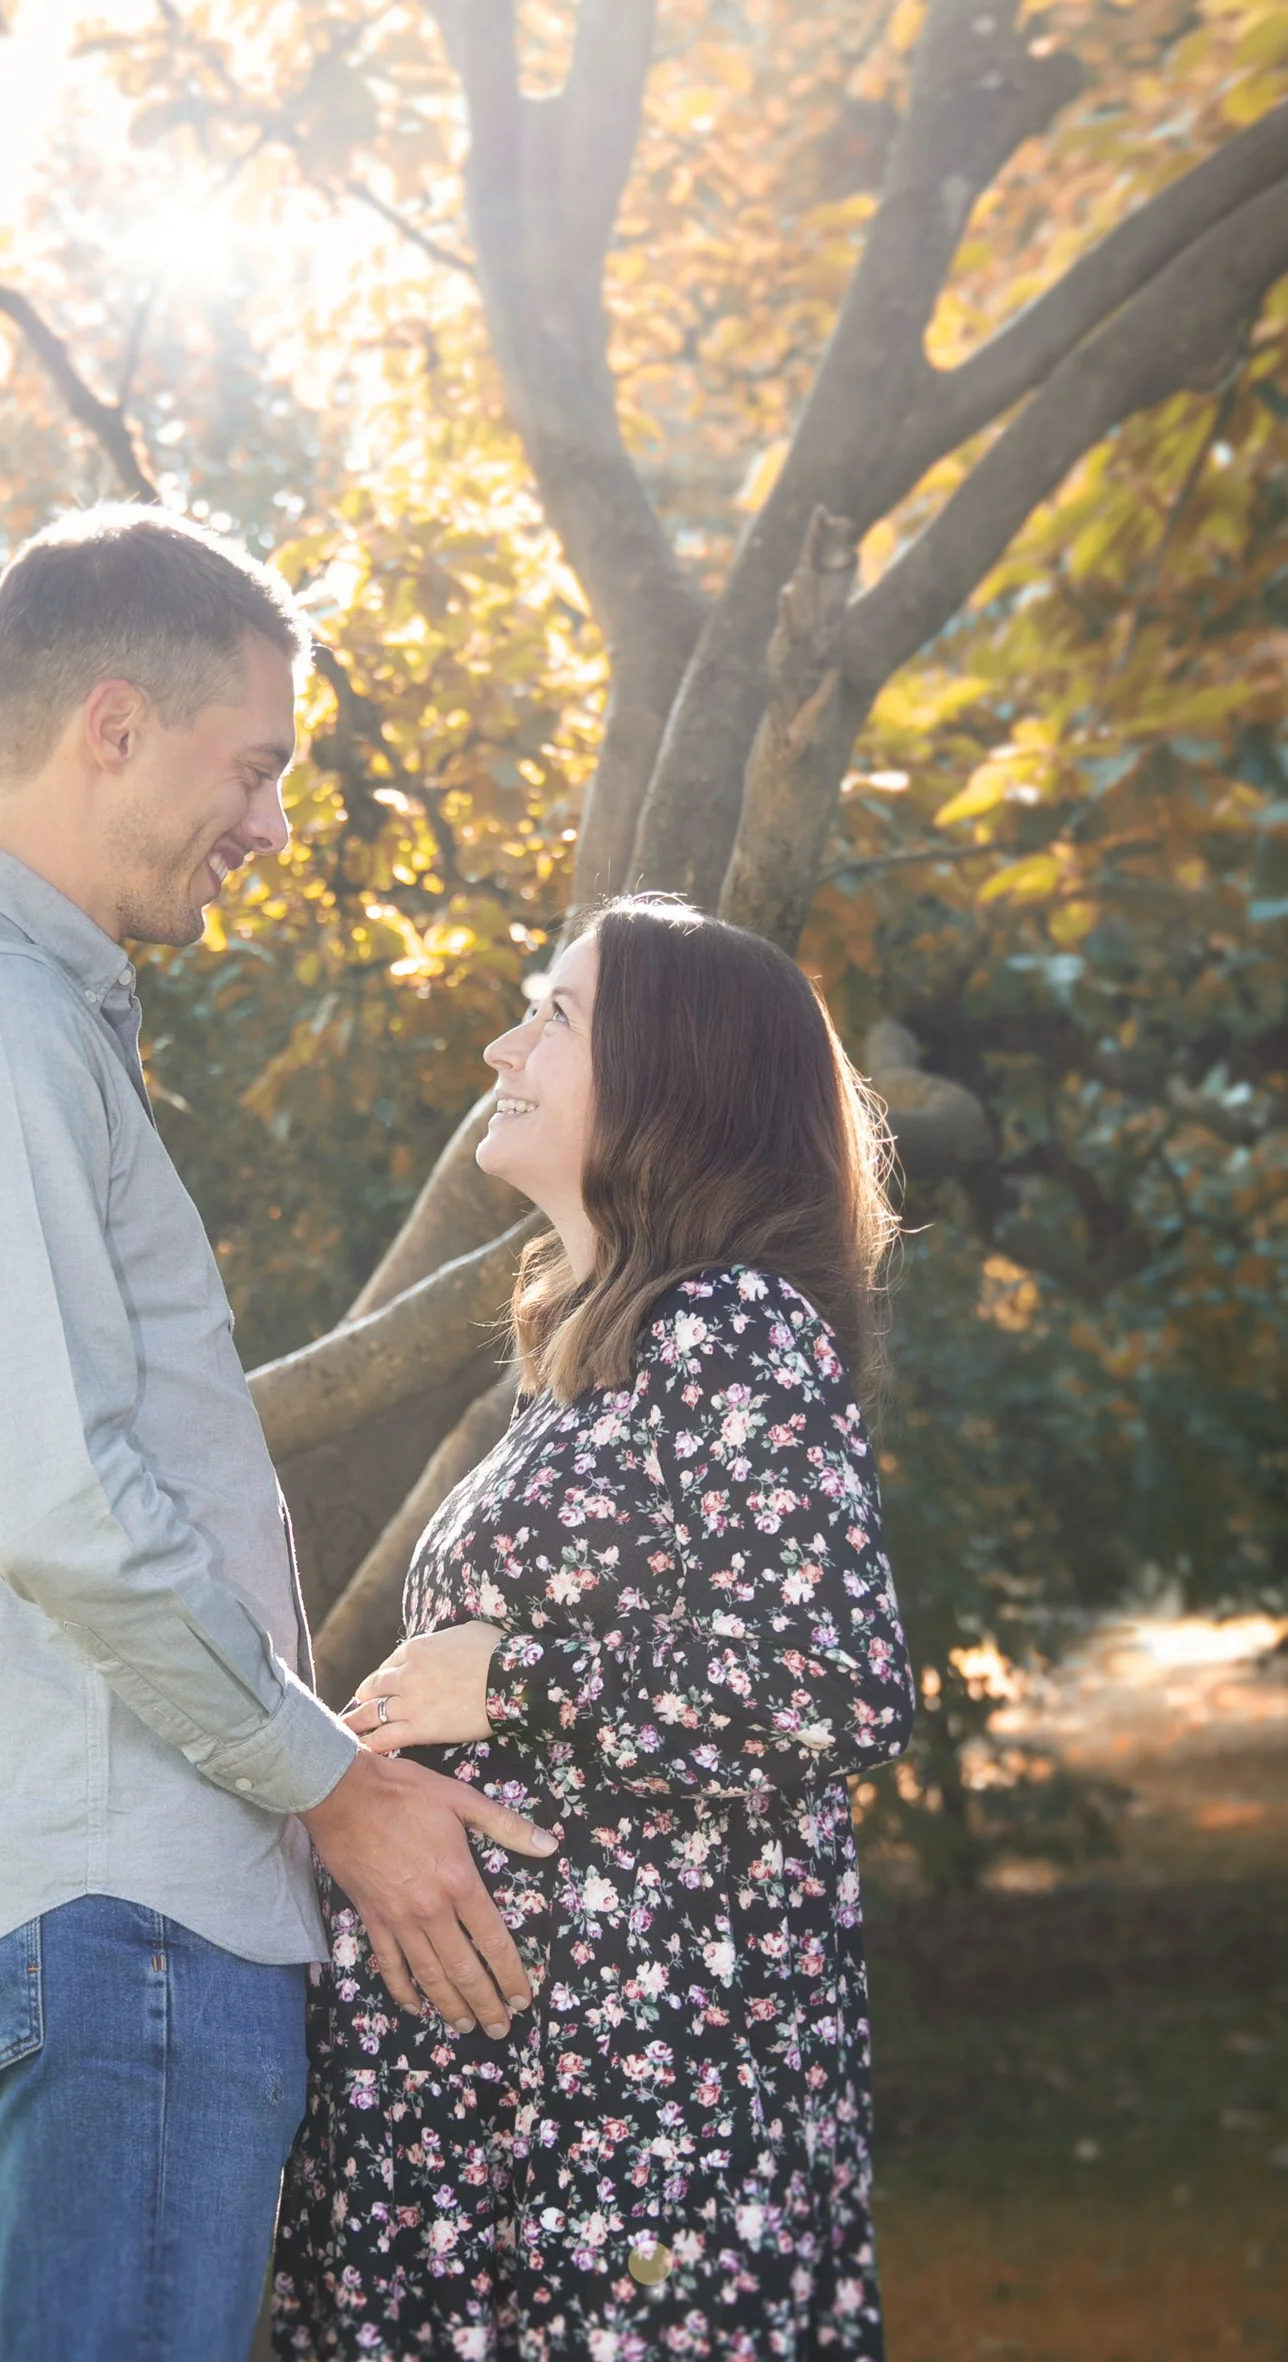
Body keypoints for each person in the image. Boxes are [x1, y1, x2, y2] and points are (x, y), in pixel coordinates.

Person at [0, 505, 556, 2362]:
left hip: (119, 1874)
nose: (274, 823)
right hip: (123, 1891)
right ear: (112, 725)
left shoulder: (11, 1013)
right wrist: (336, 1786)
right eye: (257, 766)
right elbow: (66, 1505)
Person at [273, 894, 916, 2361]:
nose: (505, 1041)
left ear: (669, 1077)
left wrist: (517, 1679)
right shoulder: (603, 1362)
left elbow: (834, 1684)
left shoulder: (733, 1325)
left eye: (554, 1014)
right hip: (513, 2119)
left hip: (630, 2141)